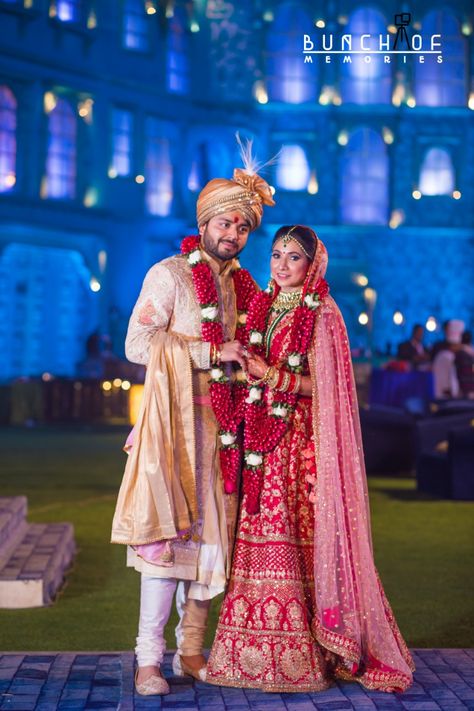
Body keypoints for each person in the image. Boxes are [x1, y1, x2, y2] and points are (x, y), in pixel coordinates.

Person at [207, 225, 415, 693]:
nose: (281, 265)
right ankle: (249, 652)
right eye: (277, 254)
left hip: (301, 445)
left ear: (313, 264)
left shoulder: (323, 313)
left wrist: (270, 376)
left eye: (293, 257)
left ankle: (309, 652)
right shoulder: (261, 306)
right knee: (257, 532)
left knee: (298, 538)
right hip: (262, 443)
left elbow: (330, 389)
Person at [111, 144, 275, 695]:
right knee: (166, 545)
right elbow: (137, 342)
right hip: (173, 432)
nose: (234, 233)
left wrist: (252, 361)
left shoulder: (245, 288)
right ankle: (147, 661)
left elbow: (249, 345)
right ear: (205, 221)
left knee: (212, 547)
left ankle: (191, 652)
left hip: (226, 435)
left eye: (244, 226)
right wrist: (211, 351)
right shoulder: (170, 275)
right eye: (226, 222)